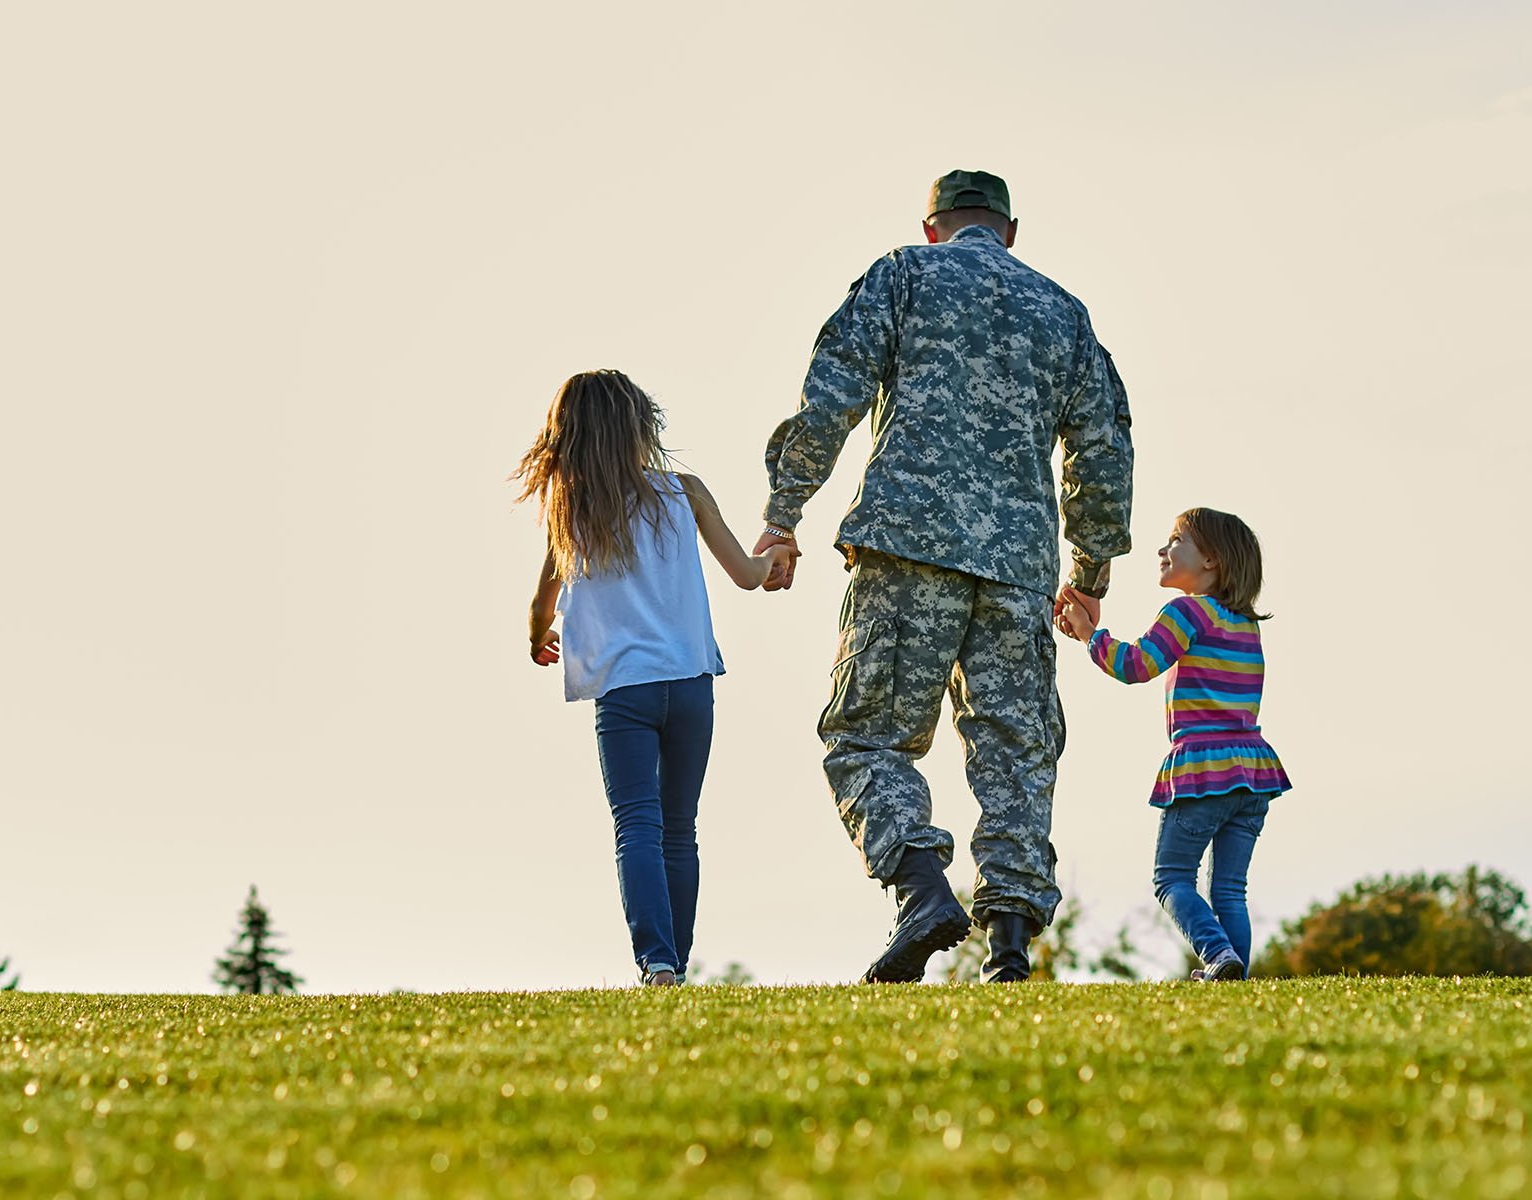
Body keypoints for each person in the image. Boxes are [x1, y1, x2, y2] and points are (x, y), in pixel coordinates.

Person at [755, 170, 1134, 983]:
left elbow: (830, 395)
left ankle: (922, 891)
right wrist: (1090, 573)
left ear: (933, 226)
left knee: (866, 736)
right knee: (1017, 753)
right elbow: (1104, 449)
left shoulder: (903, 273)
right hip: (1018, 568)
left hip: (907, 545)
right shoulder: (1063, 313)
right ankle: (1009, 947)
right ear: (1010, 231)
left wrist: (784, 514)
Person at [517, 370, 795, 987]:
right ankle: (677, 963)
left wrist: (539, 637)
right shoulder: (685, 491)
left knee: (636, 824)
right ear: (642, 427)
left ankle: (659, 963)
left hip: (624, 693)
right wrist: (774, 558)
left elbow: (542, 603)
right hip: (692, 683)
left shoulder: (573, 515)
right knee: (679, 829)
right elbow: (747, 575)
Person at [1056, 507, 1290, 981]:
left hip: (1205, 770)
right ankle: (1234, 977)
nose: (1163, 550)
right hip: (1253, 771)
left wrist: (1088, 635)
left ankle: (1217, 955)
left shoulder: (1186, 612)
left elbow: (1136, 665)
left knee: (1172, 878)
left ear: (1211, 560)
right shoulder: (1246, 625)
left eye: (1176, 540)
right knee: (1229, 888)